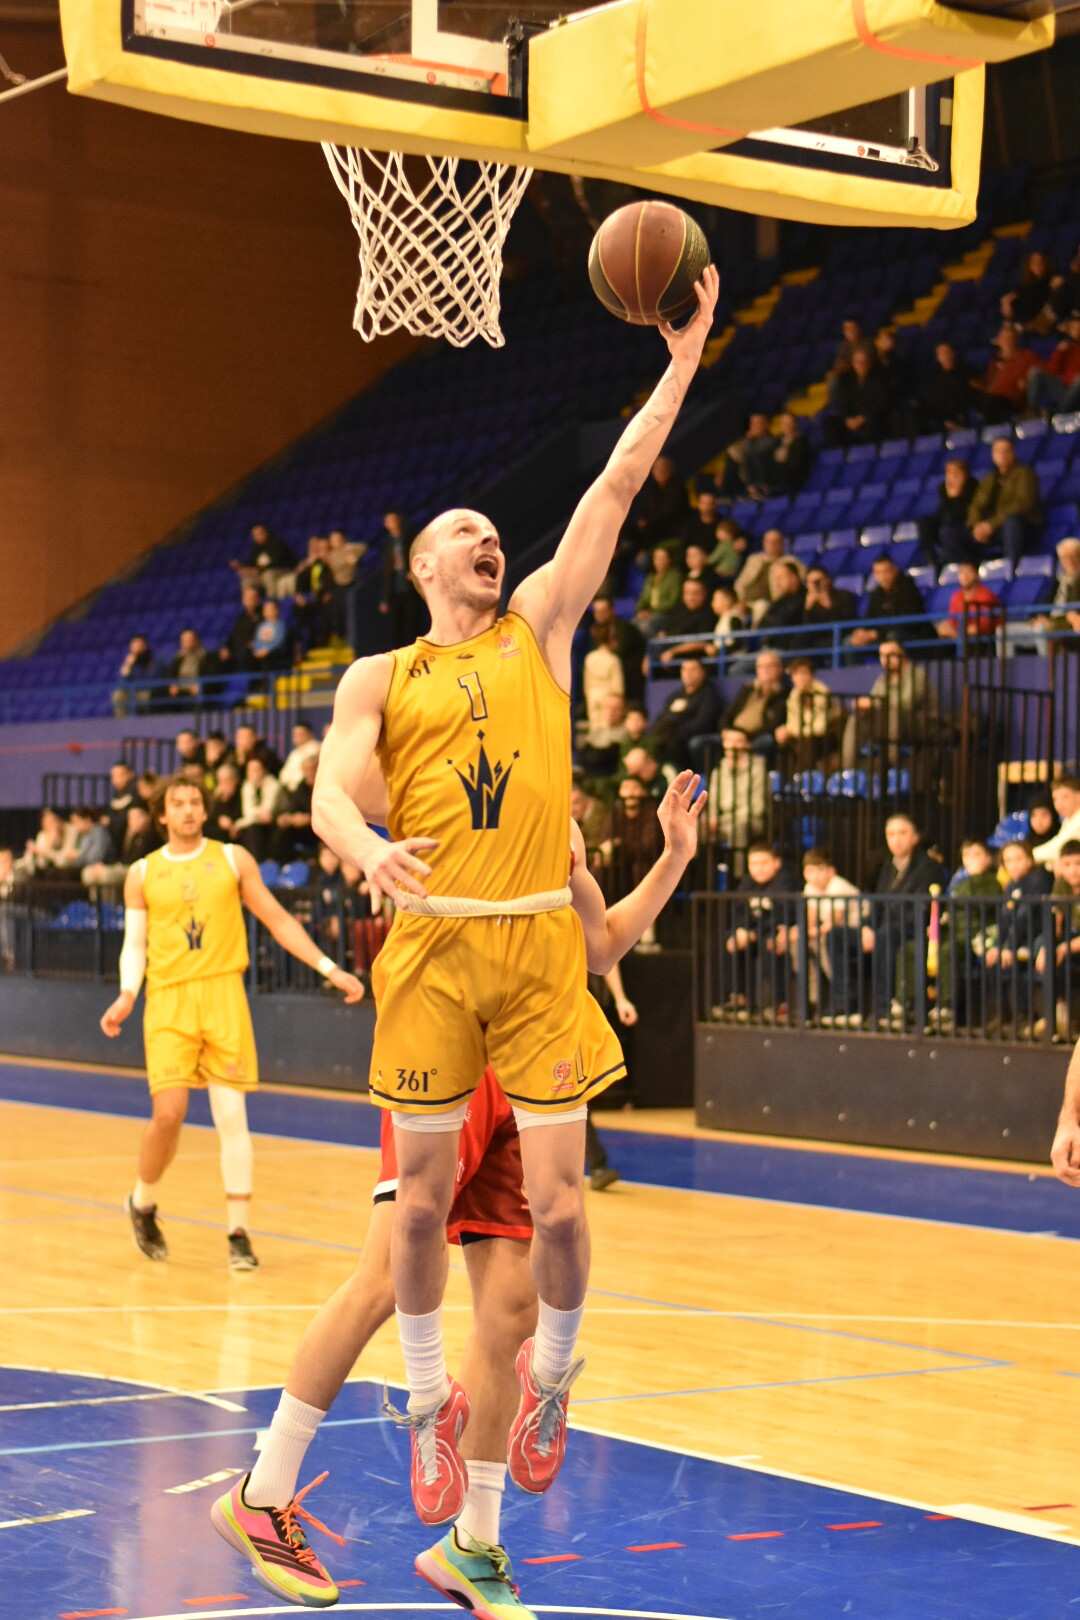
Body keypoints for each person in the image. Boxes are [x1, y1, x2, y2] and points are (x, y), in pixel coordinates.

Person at [309, 269, 718, 1524]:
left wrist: (681, 364)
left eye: (495, 528)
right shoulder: (385, 677)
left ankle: (553, 1381)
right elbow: (328, 794)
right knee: (414, 1226)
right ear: (423, 564)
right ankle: (426, 1402)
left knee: (565, 1217)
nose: (489, 538)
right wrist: (367, 847)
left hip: (534, 957)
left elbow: (617, 484)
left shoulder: (540, 621)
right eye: (465, 530)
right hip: (439, 958)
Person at [212, 779, 702, 1612]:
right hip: (450, 1053)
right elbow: (350, 789)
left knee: (511, 1311)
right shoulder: (446, 785)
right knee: (381, 1278)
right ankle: (263, 1491)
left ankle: (472, 1544)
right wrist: (368, 841)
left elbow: (601, 946)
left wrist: (673, 858)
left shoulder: (558, 831)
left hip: (535, 1066)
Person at [99, 775, 363, 1271]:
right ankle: (142, 1201)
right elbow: (134, 944)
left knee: (231, 1116)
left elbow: (278, 920)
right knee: (169, 1113)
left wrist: (329, 968)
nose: (188, 810)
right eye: (177, 803)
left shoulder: (232, 859)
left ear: (205, 810)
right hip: (169, 1000)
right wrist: (127, 994)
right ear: (162, 815)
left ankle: (238, 1233)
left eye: (195, 802)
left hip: (223, 994)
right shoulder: (142, 872)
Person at [867, 814, 946, 1028]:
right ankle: (846, 1007)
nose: (896, 839)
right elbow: (877, 901)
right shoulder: (885, 866)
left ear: (915, 837)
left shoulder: (928, 866)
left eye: (902, 833)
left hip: (915, 927)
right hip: (887, 927)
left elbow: (924, 906)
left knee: (885, 935)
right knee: (839, 936)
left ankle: (885, 1007)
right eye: (891, 834)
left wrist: (883, 927)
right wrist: (868, 928)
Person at [723, 844, 799, 1018]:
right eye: (754, 864)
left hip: (779, 930)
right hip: (754, 932)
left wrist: (753, 933)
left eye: (764, 863)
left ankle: (781, 1003)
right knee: (729, 941)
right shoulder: (747, 882)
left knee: (770, 944)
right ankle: (738, 997)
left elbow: (781, 915)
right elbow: (738, 910)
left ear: (777, 863)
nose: (759, 868)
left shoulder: (785, 880)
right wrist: (740, 930)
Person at [792, 848, 865, 1026]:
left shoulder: (838, 886)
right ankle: (811, 1000)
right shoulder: (810, 888)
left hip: (857, 931)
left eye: (819, 870)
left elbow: (835, 921)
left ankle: (844, 998)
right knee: (798, 945)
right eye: (810, 871)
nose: (814, 876)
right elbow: (811, 919)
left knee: (826, 941)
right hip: (831, 933)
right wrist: (803, 932)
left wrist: (810, 932)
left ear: (831, 871)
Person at [842, 639, 939, 770]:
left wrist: (872, 703)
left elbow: (905, 703)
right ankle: (848, 770)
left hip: (921, 723)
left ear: (902, 654)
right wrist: (864, 708)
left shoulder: (916, 674)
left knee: (894, 713)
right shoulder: (884, 679)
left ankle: (892, 765)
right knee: (856, 719)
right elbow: (876, 700)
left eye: (890, 654)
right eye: (882, 655)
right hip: (891, 722)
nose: (885, 659)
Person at [965, 435, 1043, 567]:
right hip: (992, 529)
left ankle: (1012, 568)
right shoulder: (989, 478)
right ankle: (966, 571)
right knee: (951, 532)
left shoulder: (1025, 474)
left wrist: (991, 524)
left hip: (1023, 526)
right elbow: (976, 505)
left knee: (1012, 522)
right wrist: (977, 526)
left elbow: (1022, 504)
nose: (1002, 455)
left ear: (1013, 453)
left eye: (1006, 451)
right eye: (997, 451)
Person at [1036, 841, 1080, 1042]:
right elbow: (1056, 922)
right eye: (1067, 864)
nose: (1073, 870)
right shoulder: (1061, 885)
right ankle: (1057, 1020)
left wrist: (1065, 947)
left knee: (1062, 955)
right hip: (1070, 944)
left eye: (1078, 864)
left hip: (1074, 945)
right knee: (1052, 959)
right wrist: (1046, 948)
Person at [647, 656, 721, 770]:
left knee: (673, 744)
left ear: (702, 672)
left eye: (693, 670)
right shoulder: (676, 695)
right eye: (685, 670)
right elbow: (662, 716)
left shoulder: (709, 695)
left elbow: (703, 723)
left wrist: (676, 731)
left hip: (685, 738)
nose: (688, 673)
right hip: (667, 734)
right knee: (650, 741)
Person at [775, 657, 843, 771]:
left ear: (812, 676)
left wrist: (792, 731)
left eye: (804, 673)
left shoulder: (822, 693)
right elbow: (792, 722)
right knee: (783, 743)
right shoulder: (793, 696)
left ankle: (806, 778)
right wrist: (787, 732)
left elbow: (819, 727)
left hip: (829, 735)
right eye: (796, 674)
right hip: (806, 735)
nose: (800, 678)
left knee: (807, 744)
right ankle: (784, 779)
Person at [847, 556, 926, 651]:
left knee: (893, 636)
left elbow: (906, 623)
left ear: (895, 570)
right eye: (878, 573)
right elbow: (869, 617)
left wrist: (876, 633)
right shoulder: (876, 594)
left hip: (912, 635)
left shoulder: (909, 590)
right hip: (883, 634)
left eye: (886, 571)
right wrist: (862, 631)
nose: (883, 577)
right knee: (849, 642)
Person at [825, 345, 892, 448]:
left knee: (874, 424)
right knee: (829, 423)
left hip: (870, 419)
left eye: (863, 362)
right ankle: (839, 453)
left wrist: (862, 419)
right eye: (857, 362)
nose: (860, 365)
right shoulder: (847, 381)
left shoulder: (879, 380)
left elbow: (881, 403)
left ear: (869, 363)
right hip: (851, 419)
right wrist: (848, 418)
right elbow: (842, 403)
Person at [972, 325, 1040, 425]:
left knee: (991, 402)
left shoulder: (1026, 355)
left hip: (1010, 399)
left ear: (1015, 340)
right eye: (1003, 338)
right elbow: (988, 380)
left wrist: (1026, 380)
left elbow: (1040, 373)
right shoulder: (996, 360)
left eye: (1009, 338)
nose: (1006, 342)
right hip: (990, 397)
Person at [918, 457, 980, 568]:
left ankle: (961, 564)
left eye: (956, 472)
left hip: (965, 527)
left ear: (965, 473)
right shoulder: (944, 487)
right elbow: (943, 511)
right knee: (923, 522)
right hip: (947, 523)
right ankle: (932, 563)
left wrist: (956, 497)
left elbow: (966, 513)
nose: (952, 476)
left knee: (948, 528)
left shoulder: (974, 486)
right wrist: (951, 498)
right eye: (949, 473)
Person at [733, 529, 803, 620]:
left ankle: (759, 630)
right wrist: (740, 600)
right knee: (730, 614)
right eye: (768, 542)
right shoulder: (753, 559)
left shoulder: (790, 561)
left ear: (782, 544)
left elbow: (800, 580)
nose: (771, 545)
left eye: (775, 542)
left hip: (769, 602)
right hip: (745, 601)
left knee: (761, 607)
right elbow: (740, 583)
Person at [934, 561, 1004, 645]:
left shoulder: (986, 595)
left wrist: (956, 634)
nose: (965, 576)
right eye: (961, 572)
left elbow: (979, 628)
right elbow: (952, 622)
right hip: (961, 639)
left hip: (985, 643)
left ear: (977, 574)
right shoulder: (956, 596)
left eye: (969, 572)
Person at [1027, 312, 1080, 417]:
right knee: (1036, 373)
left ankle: (1059, 413)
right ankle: (1032, 410)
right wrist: (1059, 352)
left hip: (1077, 393)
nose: (1075, 330)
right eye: (1073, 327)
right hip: (1064, 388)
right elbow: (1052, 371)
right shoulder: (1066, 348)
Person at [800, 566, 858, 659]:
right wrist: (807, 609)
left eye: (818, 581)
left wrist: (828, 605)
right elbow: (806, 630)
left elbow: (848, 623)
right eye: (811, 582)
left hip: (841, 637)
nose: (816, 585)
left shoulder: (844, 596)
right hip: (817, 641)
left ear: (827, 580)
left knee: (847, 643)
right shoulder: (805, 601)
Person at [918, 342, 975, 435]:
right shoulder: (934, 375)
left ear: (953, 353)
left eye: (947, 353)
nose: (945, 356)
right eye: (942, 354)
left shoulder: (965, 369)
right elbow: (928, 395)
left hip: (959, 410)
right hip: (938, 414)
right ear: (938, 358)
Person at [235, 756, 283, 863]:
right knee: (250, 831)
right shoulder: (247, 786)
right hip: (254, 826)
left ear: (264, 770)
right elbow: (248, 812)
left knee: (253, 831)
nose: (254, 773)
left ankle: (259, 865)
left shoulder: (273, 785)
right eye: (251, 770)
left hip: (273, 826)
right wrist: (255, 816)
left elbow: (267, 813)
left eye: (257, 769)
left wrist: (240, 823)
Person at [655, 578, 715, 661]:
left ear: (704, 594)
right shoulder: (678, 609)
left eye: (695, 593)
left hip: (692, 657)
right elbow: (665, 632)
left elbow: (702, 642)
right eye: (687, 593)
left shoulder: (709, 613)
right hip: (668, 653)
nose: (691, 598)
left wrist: (673, 651)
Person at [294, 536, 336, 649]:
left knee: (328, 608)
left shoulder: (331, 563)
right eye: (319, 549)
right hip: (315, 598)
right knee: (298, 608)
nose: (321, 551)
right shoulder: (315, 564)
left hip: (330, 597)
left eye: (324, 548)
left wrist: (330, 592)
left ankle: (323, 642)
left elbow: (334, 579)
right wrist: (299, 594)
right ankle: (308, 640)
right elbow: (301, 578)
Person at [633, 544, 683, 636]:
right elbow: (643, 598)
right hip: (649, 614)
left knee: (646, 627)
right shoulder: (650, 578)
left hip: (665, 615)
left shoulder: (674, 576)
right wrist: (640, 610)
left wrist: (652, 612)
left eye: (662, 558)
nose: (659, 561)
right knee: (632, 625)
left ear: (669, 559)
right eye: (657, 558)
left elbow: (673, 601)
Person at [1033, 776, 1080, 870]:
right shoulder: (1069, 819)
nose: (1059, 804)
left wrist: (1030, 855)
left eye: (1065, 797)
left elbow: (1059, 849)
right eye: (1055, 799)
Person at [764, 410, 811, 497]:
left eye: (789, 423)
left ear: (795, 424)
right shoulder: (777, 441)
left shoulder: (800, 440)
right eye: (784, 423)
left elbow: (797, 462)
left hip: (792, 477)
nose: (786, 426)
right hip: (776, 475)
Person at [220, 585, 264, 674]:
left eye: (253, 597)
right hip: (237, 651)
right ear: (243, 600)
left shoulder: (264, 615)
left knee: (243, 654)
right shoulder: (240, 618)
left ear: (258, 599)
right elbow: (232, 637)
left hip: (253, 652)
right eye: (248, 598)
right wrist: (226, 648)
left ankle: (246, 681)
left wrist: (256, 643)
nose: (250, 600)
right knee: (215, 657)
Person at [165, 629, 215, 705]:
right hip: (180, 688)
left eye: (189, 640)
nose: (185, 643)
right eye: (183, 640)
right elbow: (170, 673)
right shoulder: (179, 657)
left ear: (195, 641)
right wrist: (172, 684)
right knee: (158, 693)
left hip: (196, 688)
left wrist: (200, 686)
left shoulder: (205, 656)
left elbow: (209, 675)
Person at [112, 633, 154, 715]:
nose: (137, 649)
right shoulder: (131, 662)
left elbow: (149, 678)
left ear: (144, 646)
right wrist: (127, 665)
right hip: (133, 692)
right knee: (118, 695)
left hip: (147, 692)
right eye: (134, 646)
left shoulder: (151, 659)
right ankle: (122, 721)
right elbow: (123, 682)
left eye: (139, 645)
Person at [251, 600, 296, 674]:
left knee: (268, 660)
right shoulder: (261, 626)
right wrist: (257, 650)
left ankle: (268, 680)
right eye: (266, 610)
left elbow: (279, 640)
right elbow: (257, 639)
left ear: (277, 611)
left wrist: (267, 650)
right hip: (261, 652)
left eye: (271, 609)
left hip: (274, 652)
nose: (269, 612)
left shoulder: (281, 625)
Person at [279, 722, 321, 792]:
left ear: (310, 734)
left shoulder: (316, 749)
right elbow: (284, 775)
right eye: (295, 735)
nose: (297, 738)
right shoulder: (294, 753)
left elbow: (302, 776)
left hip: (307, 788)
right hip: (291, 789)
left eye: (301, 734)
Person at [207, 762, 243, 844]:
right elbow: (210, 818)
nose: (223, 784)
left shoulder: (242, 795)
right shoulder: (216, 799)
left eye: (227, 780)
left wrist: (231, 825)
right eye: (220, 781)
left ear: (235, 780)